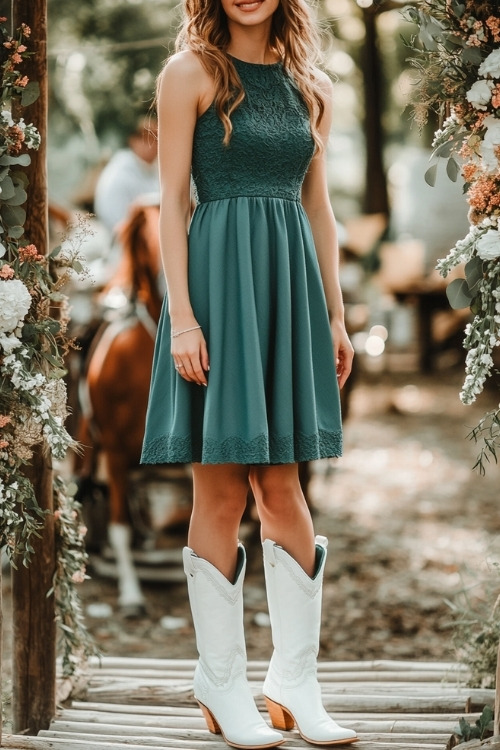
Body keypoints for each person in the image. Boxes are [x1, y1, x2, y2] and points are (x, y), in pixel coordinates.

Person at [140, 0, 357, 744]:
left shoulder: (313, 87)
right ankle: (222, 682)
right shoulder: (189, 73)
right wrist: (186, 317)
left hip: (288, 293)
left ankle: (294, 680)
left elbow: (318, 207)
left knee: (284, 486)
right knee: (223, 484)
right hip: (216, 291)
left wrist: (334, 314)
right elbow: (170, 203)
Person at [93, 116, 159, 237]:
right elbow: (116, 221)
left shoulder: (153, 169)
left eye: (157, 137)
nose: (155, 142)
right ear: (133, 140)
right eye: (149, 137)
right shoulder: (118, 173)